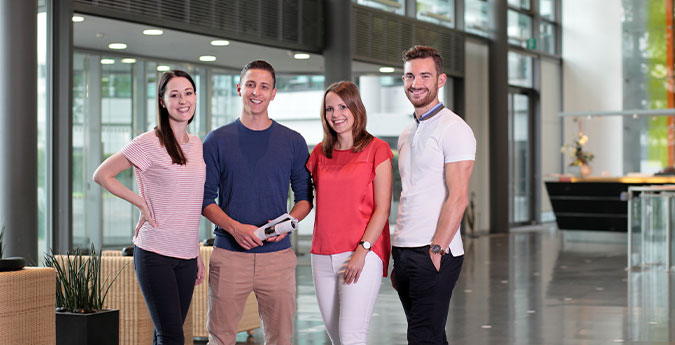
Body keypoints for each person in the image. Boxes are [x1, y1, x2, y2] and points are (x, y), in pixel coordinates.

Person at [202, 60, 313, 345]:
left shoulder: (292, 141)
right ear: (239, 88)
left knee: (280, 338)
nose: (256, 92)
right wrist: (235, 228)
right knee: (221, 338)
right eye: (250, 85)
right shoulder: (216, 140)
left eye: (264, 86)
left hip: (277, 259)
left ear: (273, 93)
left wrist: (286, 226)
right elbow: (204, 200)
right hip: (229, 257)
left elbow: (304, 199)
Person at [93, 70, 206, 345]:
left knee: (166, 333)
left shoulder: (197, 145)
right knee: (172, 336)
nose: (183, 100)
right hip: (155, 252)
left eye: (188, 93)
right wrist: (141, 203)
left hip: (187, 255)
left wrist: (197, 253)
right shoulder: (148, 142)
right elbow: (102, 174)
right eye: (174, 94)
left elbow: (190, 202)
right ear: (162, 101)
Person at [391, 45, 476, 345]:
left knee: (421, 337)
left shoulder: (454, 129)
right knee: (431, 336)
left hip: (435, 250)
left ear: (441, 80)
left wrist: (436, 249)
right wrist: (398, 251)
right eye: (409, 76)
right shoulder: (406, 132)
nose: (416, 83)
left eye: (425, 75)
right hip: (404, 250)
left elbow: (458, 197)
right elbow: (411, 193)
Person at [306, 81, 393, 345]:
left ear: (356, 107)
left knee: (351, 337)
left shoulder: (377, 149)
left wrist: (362, 250)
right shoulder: (320, 153)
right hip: (321, 254)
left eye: (343, 106)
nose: (336, 114)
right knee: (336, 338)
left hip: (361, 253)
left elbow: (383, 208)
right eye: (329, 109)